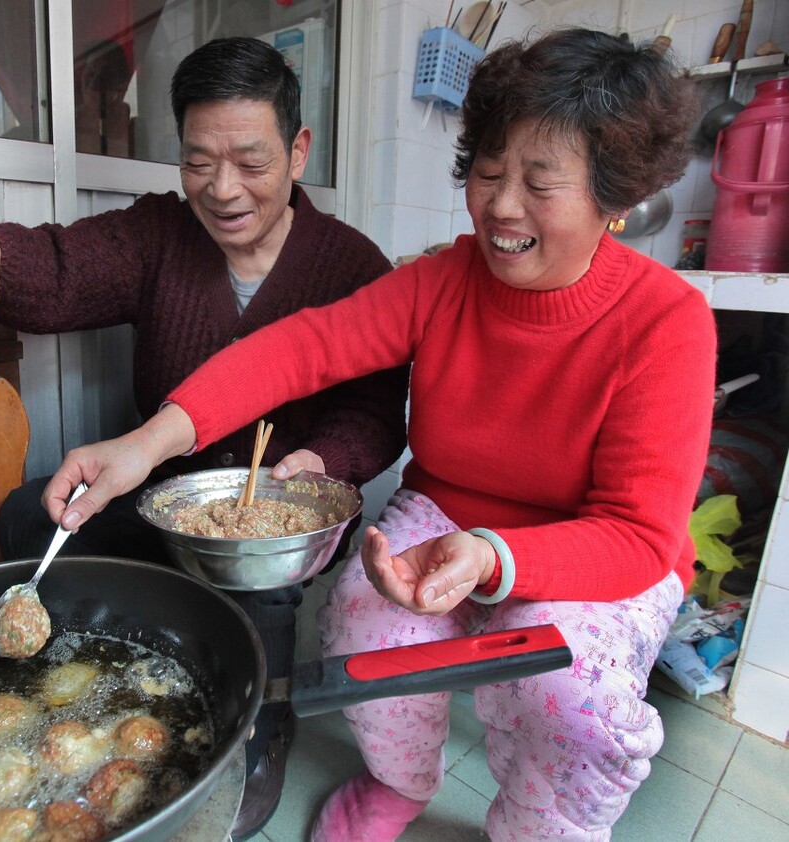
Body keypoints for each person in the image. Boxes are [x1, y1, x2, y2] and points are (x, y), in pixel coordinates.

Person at [36, 28, 715, 841]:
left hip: (593, 548)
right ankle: (399, 783)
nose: (501, 206)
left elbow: (641, 533)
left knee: (561, 692)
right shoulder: (441, 279)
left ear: (616, 198)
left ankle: (541, 827)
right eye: (490, 172)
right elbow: (302, 348)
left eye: (540, 184)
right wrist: (146, 446)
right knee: (367, 625)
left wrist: (497, 558)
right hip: (448, 516)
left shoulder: (667, 321)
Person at [0, 36, 409, 838]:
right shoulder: (159, 234)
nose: (222, 189)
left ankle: (258, 738)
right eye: (199, 161)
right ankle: (87, 699)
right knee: (33, 517)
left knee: (256, 599)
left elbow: (375, 415)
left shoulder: (355, 268)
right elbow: (58, 266)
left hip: (272, 524)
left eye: (250, 161)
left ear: (299, 151)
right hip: (163, 492)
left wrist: (315, 469)